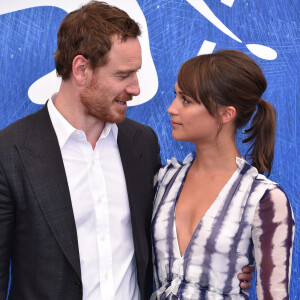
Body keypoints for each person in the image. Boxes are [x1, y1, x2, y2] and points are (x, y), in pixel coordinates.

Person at [0, 2, 161, 299]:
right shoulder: (9, 152)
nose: (136, 88)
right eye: (124, 75)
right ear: (81, 69)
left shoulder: (143, 142)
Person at [151, 50, 295, 299]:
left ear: (226, 114)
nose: (171, 108)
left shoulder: (263, 198)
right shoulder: (163, 180)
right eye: (176, 95)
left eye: (185, 100)